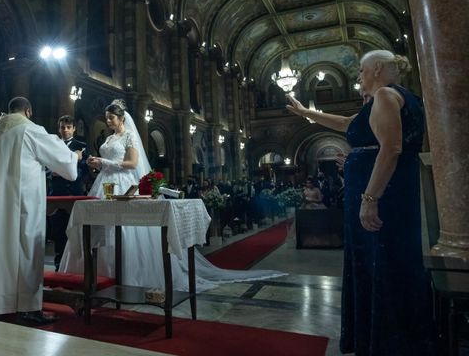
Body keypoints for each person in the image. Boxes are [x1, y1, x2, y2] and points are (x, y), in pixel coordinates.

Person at [286, 49, 434, 355]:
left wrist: (370, 198)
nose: (359, 78)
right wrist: (306, 113)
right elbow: (345, 123)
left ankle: (387, 342)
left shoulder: (385, 96)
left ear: (377, 68)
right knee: (386, 262)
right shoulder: (396, 97)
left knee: (381, 262)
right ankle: (388, 337)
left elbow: (391, 149)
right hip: (391, 192)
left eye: (361, 72)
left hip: (383, 195)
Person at [59, 99, 284, 292]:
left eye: (112, 119)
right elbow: (110, 162)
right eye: (107, 118)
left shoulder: (130, 137)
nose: (108, 122)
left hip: (125, 185)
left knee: (127, 231)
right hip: (104, 183)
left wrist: (105, 161)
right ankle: (95, 273)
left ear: (122, 119)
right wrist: (97, 164)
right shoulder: (108, 140)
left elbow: (132, 164)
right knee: (100, 228)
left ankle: (127, 275)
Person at [0, 96, 82, 325]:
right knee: (27, 250)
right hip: (24, 203)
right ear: (28, 111)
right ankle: (29, 309)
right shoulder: (30, 131)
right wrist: (74, 156)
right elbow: (67, 167)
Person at [48, 115, 89, 270]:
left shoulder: (81, 145)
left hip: (74, 193)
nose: (65, 130)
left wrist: (74, 171)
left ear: (74, 128)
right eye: (62, 127)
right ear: (59, 129)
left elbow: (85, 170)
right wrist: (52, 173)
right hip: (56, 194)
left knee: (76, 231)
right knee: (58, 231)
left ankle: (75, 266)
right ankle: (59, 266)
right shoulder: (53, 145)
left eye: (68, 127)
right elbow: (46, 167)